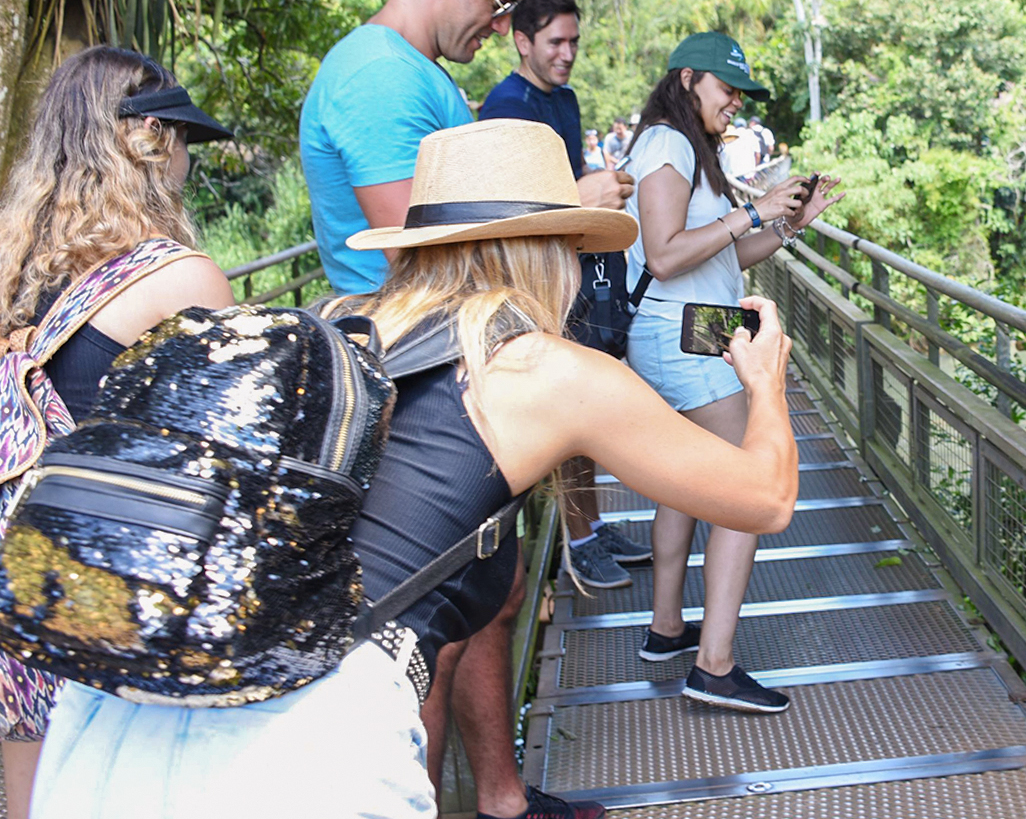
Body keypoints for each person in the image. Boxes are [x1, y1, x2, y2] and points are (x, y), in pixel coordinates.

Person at [30, 118, 800, 819]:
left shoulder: (337, 321)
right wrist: (764, 382)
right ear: (545, 247)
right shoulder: (538, 370)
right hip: (299, 752)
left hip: (115, 717)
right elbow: (764, 499)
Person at [297, 0, 571, 819]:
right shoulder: (377, 76)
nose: (500, 28)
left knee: (483, 600)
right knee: (424, 635)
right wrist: (560, 211)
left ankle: (500, 798)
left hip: (458, 364)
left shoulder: (419, 74)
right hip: (411, 379)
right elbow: (415, 238)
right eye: (497, 3)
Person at [0, 47, 236, 817]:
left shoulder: (13, 269)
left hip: (18, 587)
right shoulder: (176, 277)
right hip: (120, 602)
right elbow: (234, 459)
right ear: (148, 138)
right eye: (184, 142)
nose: (187, 164)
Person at [622, 32, 841, 712]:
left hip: (696, 321)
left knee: (685, 482)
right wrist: (753, 207)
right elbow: (662, 256)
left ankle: (667, 630)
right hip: (677, 328)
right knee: (747, 486)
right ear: (688, 79)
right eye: (727, 89)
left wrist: (787, 225)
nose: (736, 104)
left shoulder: (691, 149)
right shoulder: (669, 143)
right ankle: (713, 666)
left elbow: (716, 260)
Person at [478, 0, 646, 592]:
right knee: (568, 408)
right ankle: (577, 539)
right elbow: (505, 207)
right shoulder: (506, 106)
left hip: (574, 270)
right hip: (532, 282)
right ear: (522, 42)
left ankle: (593, 525)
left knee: (586, 399)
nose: (568, 53)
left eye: (574, 41)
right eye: (556, 42)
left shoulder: (564, 99)